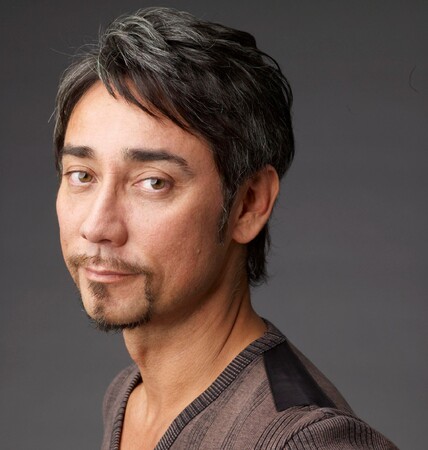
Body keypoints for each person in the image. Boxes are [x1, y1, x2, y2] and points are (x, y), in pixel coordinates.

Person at [54, 7, 398, 450]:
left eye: (153, 182)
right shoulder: (129, 396)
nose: (97, 226)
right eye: (82, 175)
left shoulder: (307, 441)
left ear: (249, 204)